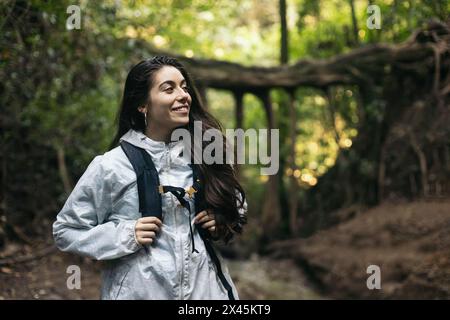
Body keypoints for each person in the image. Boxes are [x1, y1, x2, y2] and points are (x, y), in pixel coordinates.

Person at [52, 56, 247, 300]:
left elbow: (237, 201)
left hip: (206, 292)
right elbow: (66, 231)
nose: (183, 95)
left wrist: (223, 216)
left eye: (184, 87)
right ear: (143, 105)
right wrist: (125, 234)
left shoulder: (205, 153)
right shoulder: (112, 165)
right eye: (169, 88)